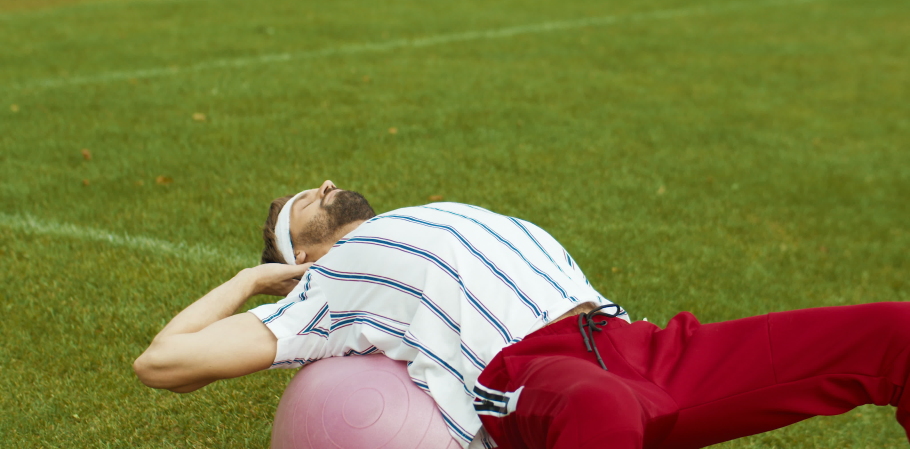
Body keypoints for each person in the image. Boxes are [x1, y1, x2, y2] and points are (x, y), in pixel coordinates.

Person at [134, 180, 910, 449]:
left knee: (895, 333)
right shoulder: (323, 289)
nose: (328, 186)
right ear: (296, 251)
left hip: (639, 345)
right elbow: (161, 363)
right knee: (603, 413)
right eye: (308, 197)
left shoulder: (428, 213)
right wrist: (248, 278)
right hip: (535, 379)